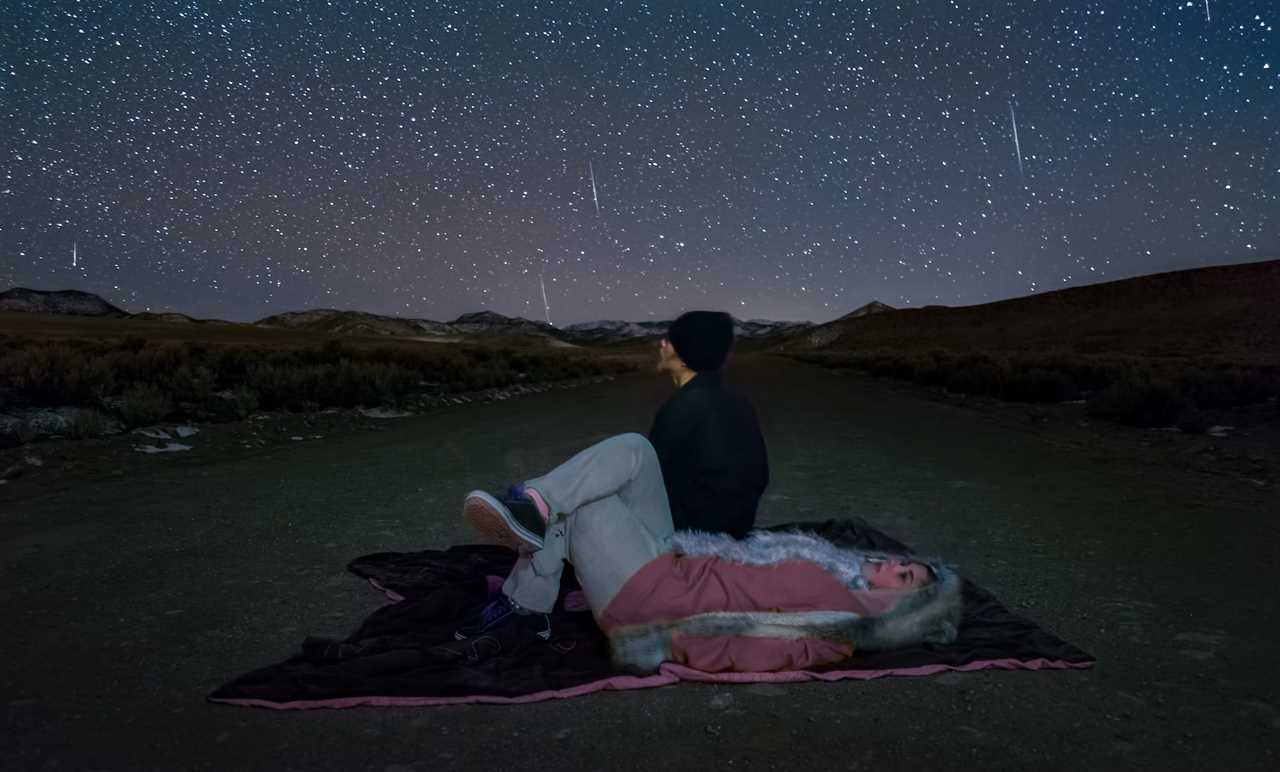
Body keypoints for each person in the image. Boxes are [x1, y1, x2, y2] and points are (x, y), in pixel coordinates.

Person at [455, 433, 962, 673]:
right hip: (672, 562)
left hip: (649, 600)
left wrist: (667, 645)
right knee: (636, 451)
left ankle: (530, 585)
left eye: (905, 578)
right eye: (905, 562)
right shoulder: (838, 568)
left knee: (588, 505)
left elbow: (754, 650)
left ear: (899, 610)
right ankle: (536, 508)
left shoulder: (840, 623)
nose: (894, 563)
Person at [649, 311, 769, 538]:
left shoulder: (681, 408)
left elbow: (655, 484)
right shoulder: (739, 402)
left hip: (691, 531)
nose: (661, 345)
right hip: (738, 525)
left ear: (681, 353)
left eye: (667, 340)